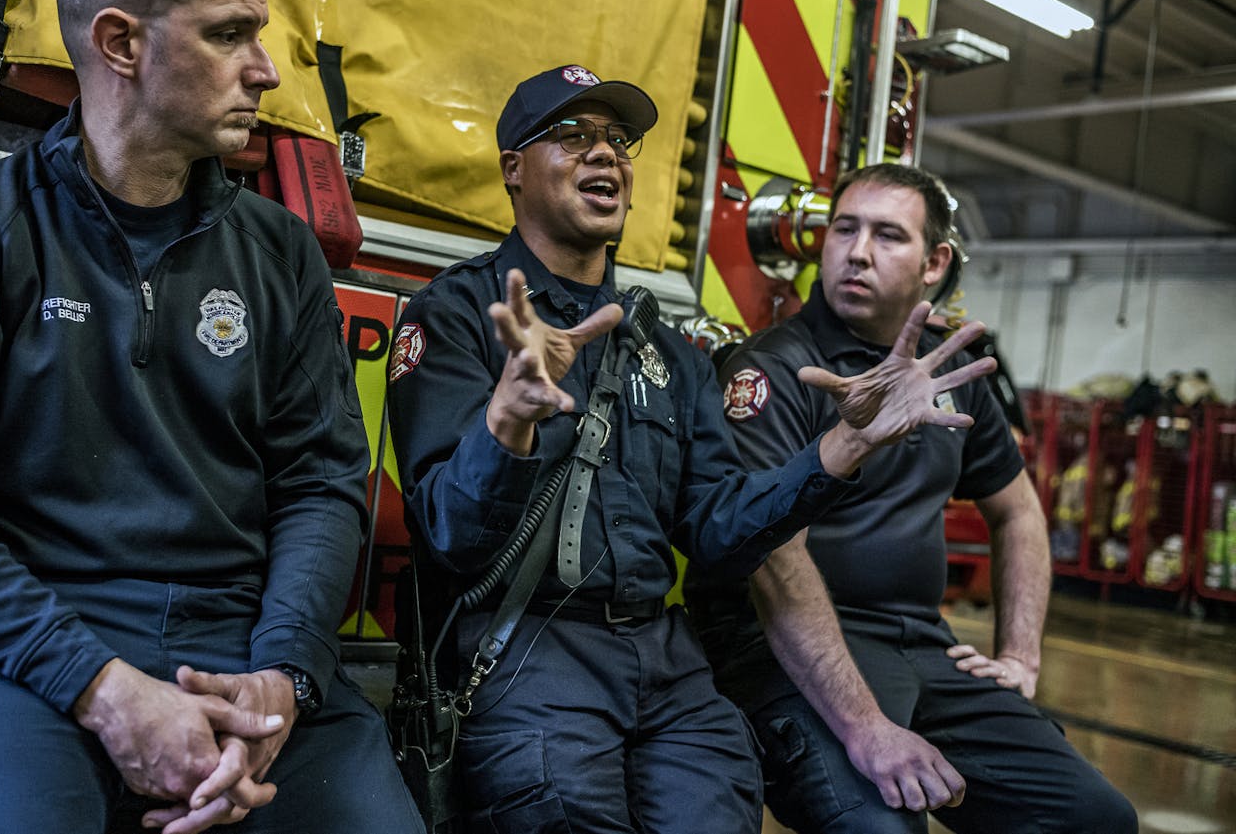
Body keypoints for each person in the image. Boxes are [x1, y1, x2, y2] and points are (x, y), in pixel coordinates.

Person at [0, 0, 423, 834]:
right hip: (18, 653)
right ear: (119, 42)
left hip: (242, 647)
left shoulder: (281, 256)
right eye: (230, 35)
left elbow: (320, 482)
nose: (267, 70)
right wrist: (100, 687)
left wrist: (282, 673)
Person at [384, 65, 996, 834]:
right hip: (528, 653)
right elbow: (449, 538)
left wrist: (842, 446)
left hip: (663, 658)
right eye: (572, 137)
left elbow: (715, 530)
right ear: (514, 169)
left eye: (618, 140)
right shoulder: (458, 316)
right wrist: (508, 421)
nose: (604, 155)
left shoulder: (668, 351)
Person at [685, 162, 1138, 833]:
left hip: (925, 645)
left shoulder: (949, 370)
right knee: (883, 826)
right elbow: (773, 557)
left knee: (1097, 817)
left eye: (888, 235)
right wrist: (866, 728)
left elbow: (1017, 511)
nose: (858, 251)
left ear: (936, 262)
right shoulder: (779, 367)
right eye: (845, 229)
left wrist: (1019, 655)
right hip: (789, 652)